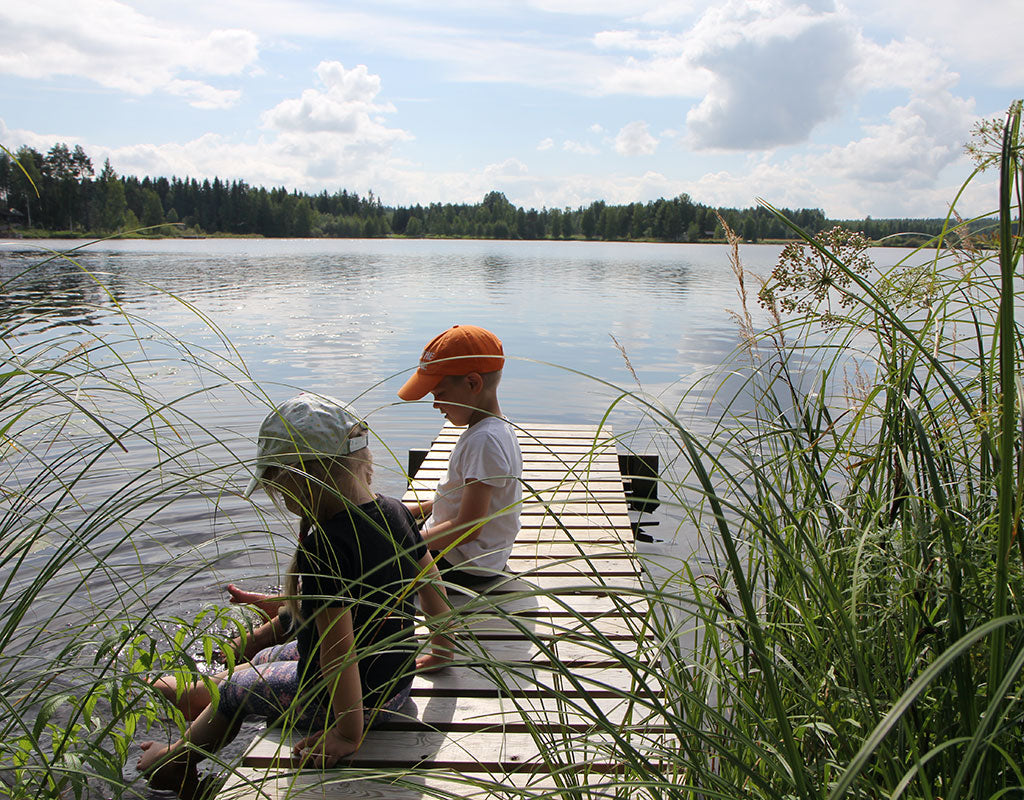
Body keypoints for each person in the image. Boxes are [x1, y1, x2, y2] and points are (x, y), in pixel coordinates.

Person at [138, 393, 452, 796]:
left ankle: (174, 760)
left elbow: (340, 652)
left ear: (300, 479)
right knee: (267, 656)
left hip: (351, 706)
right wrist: (443, 645)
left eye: (279, 487)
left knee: (233, 691)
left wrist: (346, 733)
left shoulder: (326, 548)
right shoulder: (395, 511)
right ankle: (200, 702)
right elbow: (430, 580)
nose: (283, 500)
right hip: (395, 685)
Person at [398, 324, 523, 587]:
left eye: (439, 394)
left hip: (462, 563)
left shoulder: (484, 440)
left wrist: (408, 546)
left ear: (472, 383)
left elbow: (469, 527)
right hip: (473, 557)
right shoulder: (494, 428)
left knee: (365, 566)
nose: (435, 404)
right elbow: (463, 499)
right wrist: (411, 511)